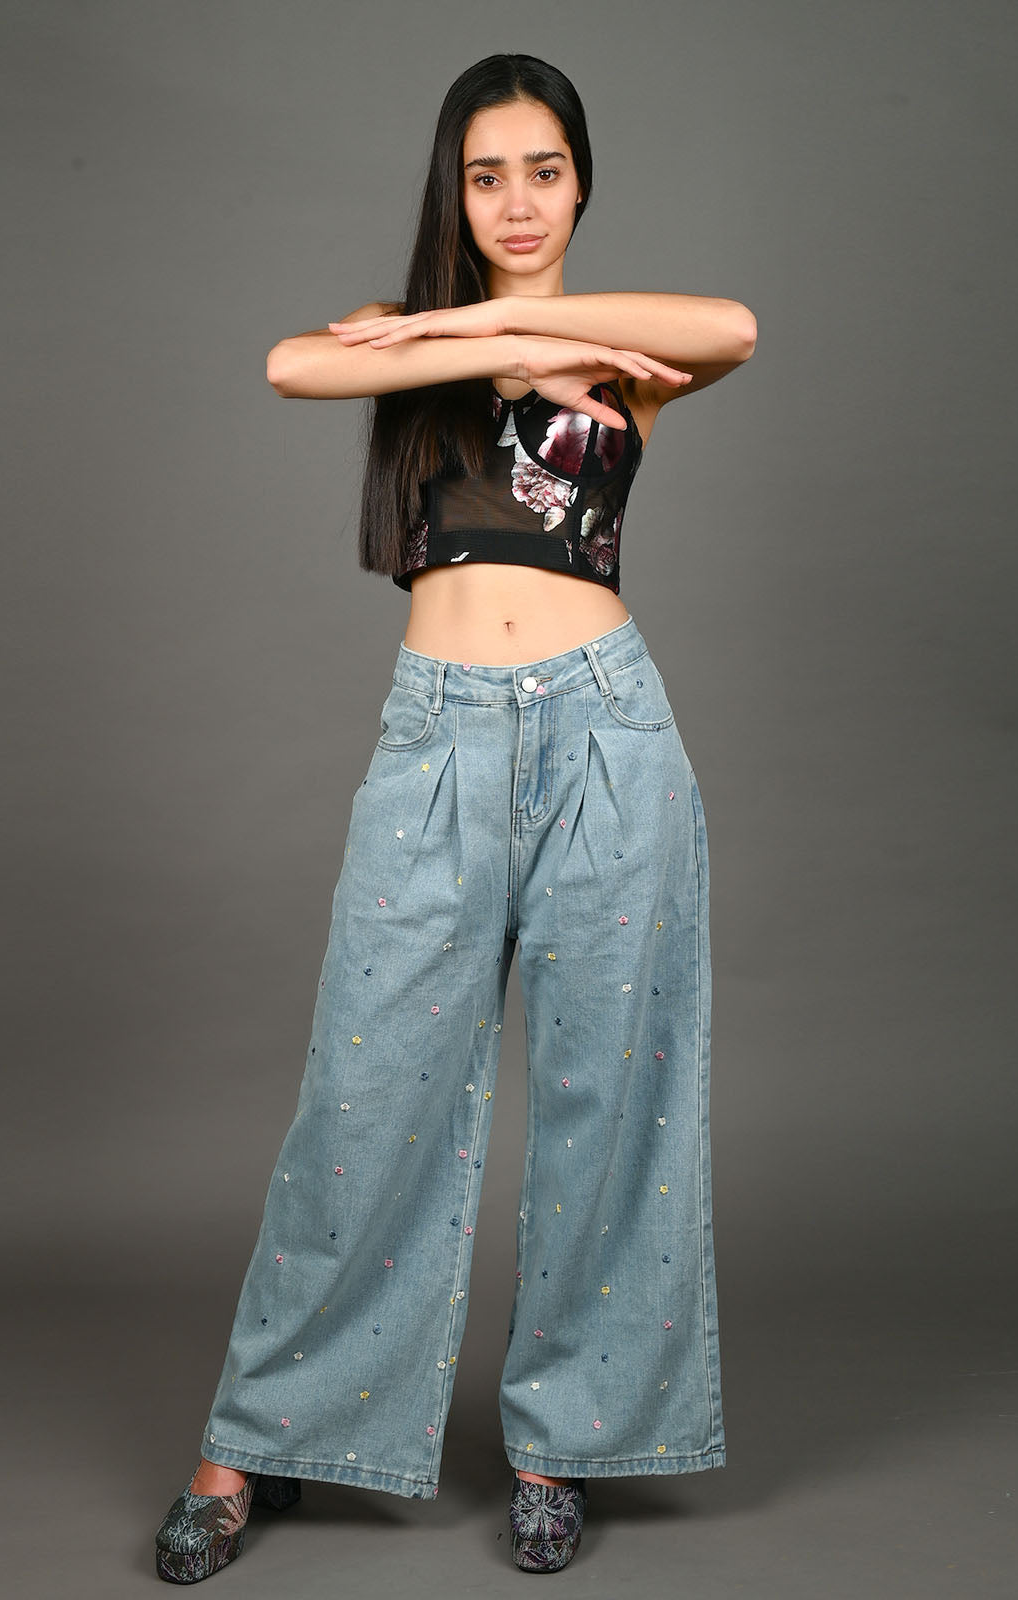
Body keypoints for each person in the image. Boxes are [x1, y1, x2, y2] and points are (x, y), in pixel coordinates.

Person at [153, 51, 756, 1583]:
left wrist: (527, 334)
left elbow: (737, 328)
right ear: (455, 191)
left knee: (609, 1095)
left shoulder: (617, 350)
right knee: (366, 1096)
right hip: (438, 740)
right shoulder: (406, 340)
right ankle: (263, 1433)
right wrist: (454, 333)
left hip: (607, 732)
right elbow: (291, 365)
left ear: (581, 181)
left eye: (544, 170)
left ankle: (562, 1441)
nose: (518, 201)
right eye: (488, 176)